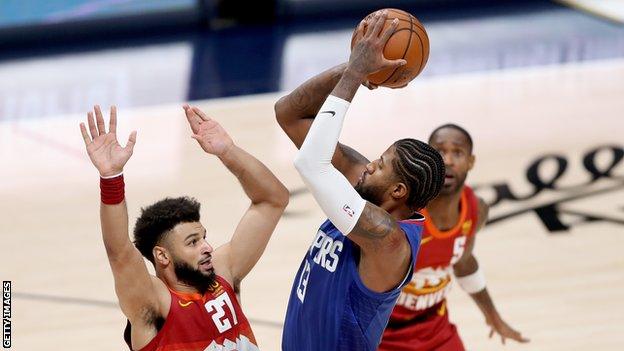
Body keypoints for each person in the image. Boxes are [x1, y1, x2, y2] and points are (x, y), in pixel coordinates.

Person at [276, 11, 445, 350]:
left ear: (398, 191)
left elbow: (311, 163)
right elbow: (290, 114)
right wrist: (360, 67)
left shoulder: (388, 240)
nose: (368, 166)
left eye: (380, 165)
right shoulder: (371, 190)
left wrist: (355, 73)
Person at [78, 104, 289, 351]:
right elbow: (119, 252)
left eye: (203, 238)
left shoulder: (224, 271)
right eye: (193, 242)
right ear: (162, 255)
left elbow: (272, 200)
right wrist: (111, 177)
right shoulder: (154, 302)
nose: (208, 247)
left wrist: (227, 151)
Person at [378, 124, 529, 350]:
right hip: (381, 332)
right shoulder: (401, 210)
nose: (447, 160)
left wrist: (492, 315)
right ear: (428, 158)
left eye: (457, 153)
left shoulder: (476, 210)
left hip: (435, 329)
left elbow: (464, 261)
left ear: (471, 162)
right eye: (439, 151)